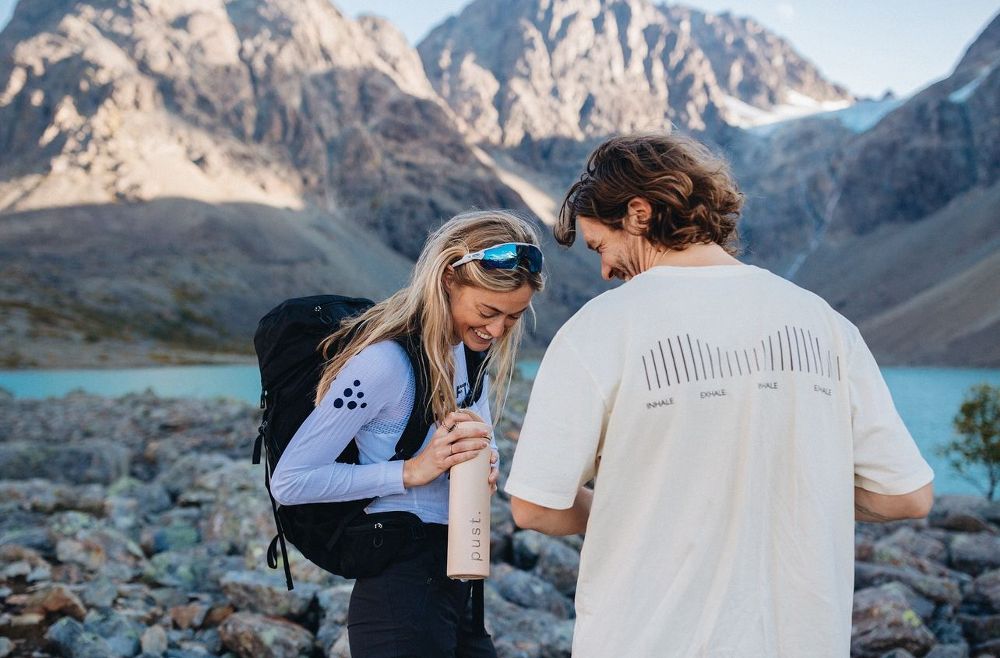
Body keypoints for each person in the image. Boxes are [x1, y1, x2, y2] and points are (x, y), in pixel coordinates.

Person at [504, 132, 934, 657]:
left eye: (601, 246)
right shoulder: (825, 323)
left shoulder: (599, 329)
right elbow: (906, 495)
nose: (605, 270)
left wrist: (645, 505)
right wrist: (775, 498)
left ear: (639, 213)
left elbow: (533, 508)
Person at [270, 210, 545, 658]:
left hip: (458, 584)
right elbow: (291, 481)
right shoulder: (383, 363)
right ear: (448, 278)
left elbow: (478, 437)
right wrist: (411, 471)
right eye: (488, 311)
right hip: (398, 593)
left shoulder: (468, 353)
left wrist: (483, 461)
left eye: (512, 318)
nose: (496, 330)